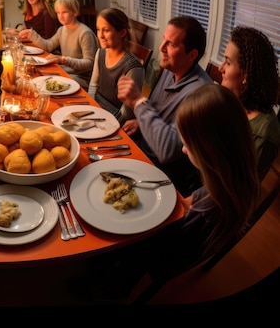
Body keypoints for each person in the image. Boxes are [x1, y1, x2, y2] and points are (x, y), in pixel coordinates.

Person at [81, 84, 261, 302]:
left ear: (209, 150)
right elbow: (190, 201)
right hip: (170, 245)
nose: (183, 150)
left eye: (187, 145)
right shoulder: (231, 180)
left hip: (157, 258)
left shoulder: (211, 210)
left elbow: (165, 253)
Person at [117, 15, 213, 196]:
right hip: (141, 150)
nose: (161, 49)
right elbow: (158, 111)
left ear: (192, 55)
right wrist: (141, 122)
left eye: (172, 44)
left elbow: (167, 151)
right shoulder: (172, 68)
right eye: (164, 41)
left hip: (164, 177)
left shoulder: (200, 94)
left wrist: (138, 102)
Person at [218, 25, 280, 180]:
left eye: (228, 62)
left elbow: (236, 188)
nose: (220, 68)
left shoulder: (264, 132)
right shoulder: (232, 102)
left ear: (246, 74)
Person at [19, 0, 97, 90]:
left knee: (45, 83)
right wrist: (32, 35)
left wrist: (63, 60)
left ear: (75, 12)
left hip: (80, 78)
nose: (61, 16)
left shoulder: (85, 33)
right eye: (58, 13)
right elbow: (48, 46)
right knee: (38, 77)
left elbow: (89, 63)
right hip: (66, 71)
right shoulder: (62, 30)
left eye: (64, 12)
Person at [88, 7, 143, 125]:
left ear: (122, 33)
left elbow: (127, 111)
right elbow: (93, 86)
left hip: (116, 119)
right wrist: (91, 110)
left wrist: (107, 124)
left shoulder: (133, 67)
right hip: (97, 109)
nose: (100, 35)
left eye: (106, 30)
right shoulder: (101, 53)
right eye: (98, 29)